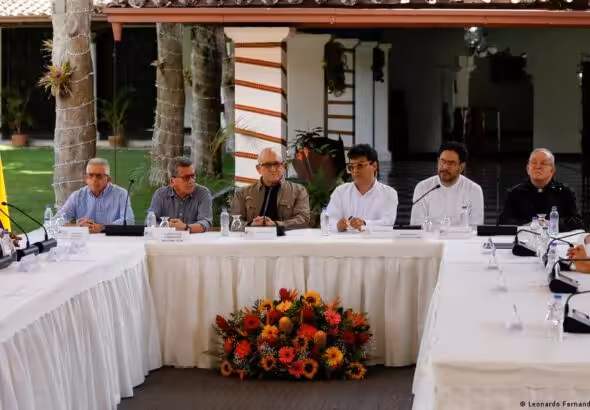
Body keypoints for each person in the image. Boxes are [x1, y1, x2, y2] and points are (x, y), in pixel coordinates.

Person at [498, 148, 583, 232]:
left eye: (543, 163)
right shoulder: (515, 193)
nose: (538, 167)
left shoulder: (565, 192)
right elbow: (503, 222)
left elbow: (578, 222)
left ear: (552, 170)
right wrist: (529, 225)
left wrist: (552, 224)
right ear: (528, 169)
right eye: (534, 162)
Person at [231, 147, 310, 229]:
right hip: (253, 240)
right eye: (267, 165)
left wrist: (276, 224)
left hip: (286, 240)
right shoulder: (242, 193)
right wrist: (251, 225)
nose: (273, 169)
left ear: (283, 166)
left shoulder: (299, 191)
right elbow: (233, 221)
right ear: (258, 169)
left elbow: (303, 219)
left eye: (276, 164)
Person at [327, 144, 398, 232]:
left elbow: (388, 223)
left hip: (376, 243)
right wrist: (338, 225)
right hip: (345, 243)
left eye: (360, 165)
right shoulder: (340, 192)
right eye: (351, 167)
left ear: (374, 166)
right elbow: (329, 220)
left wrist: (364, 223)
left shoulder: (389, 193)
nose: (355, 170)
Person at [410, 142, 484, 226]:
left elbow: (475, 228)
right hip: (431, 238)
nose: (445, 167)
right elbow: (416, 225)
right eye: (442, 161)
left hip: (462, 239)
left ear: (461, 167)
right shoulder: (423, 188)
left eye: (451, 163)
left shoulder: (474, 190)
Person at [61, 158, 134, 233]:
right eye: (91, 175)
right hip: (85, 241)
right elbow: (57, 221)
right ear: (86, 179)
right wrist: (79, 226)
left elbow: (129, 221)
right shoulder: (77, 196)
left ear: (108, 179)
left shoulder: (121, 194)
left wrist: (103, 227)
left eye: (99, 176)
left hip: (111, 241)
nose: (94, 179)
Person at [149, 157, 212, 233]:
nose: (191, 181)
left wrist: (185, 227)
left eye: (193, 176)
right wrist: (166, 225)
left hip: (194, 242)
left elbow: (205, 223)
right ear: (172, 181)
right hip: (166, 241)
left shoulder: (203, 193)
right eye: (186, 178)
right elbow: (150, 222)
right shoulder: (160, 195)